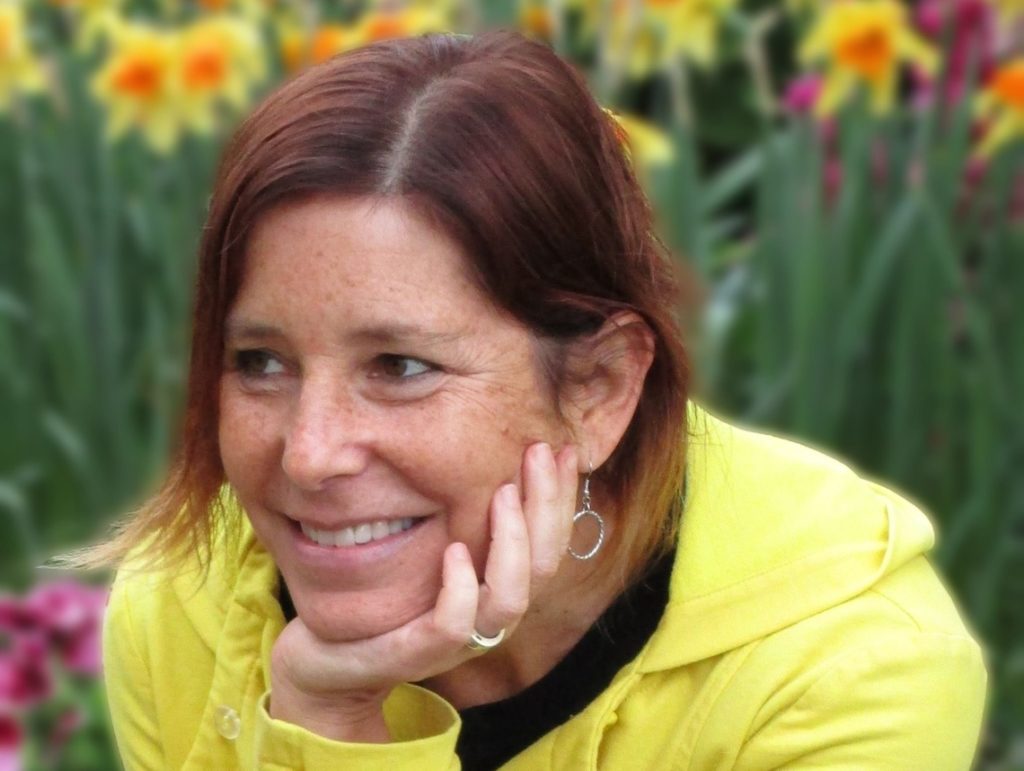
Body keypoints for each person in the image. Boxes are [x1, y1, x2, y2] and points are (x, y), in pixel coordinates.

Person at [99, 30, 987, 770]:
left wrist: (335, 728)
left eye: (400, 366)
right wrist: (327, 707)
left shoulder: (846, 669)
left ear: (600, 387)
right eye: (259, 361)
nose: (309, 452)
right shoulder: (182, 606)